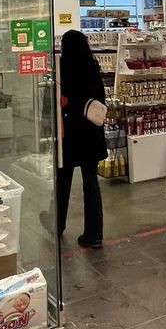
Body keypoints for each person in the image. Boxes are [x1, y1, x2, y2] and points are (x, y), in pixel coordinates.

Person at [50, 29, 105, 248]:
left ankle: (58, 223)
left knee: (63, 180)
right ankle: (94, 234)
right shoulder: (92, 67)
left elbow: (57, 100)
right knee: (91, 182)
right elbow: (100, 99)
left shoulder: (62, 68)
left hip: (69, 134)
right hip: (90, 134)